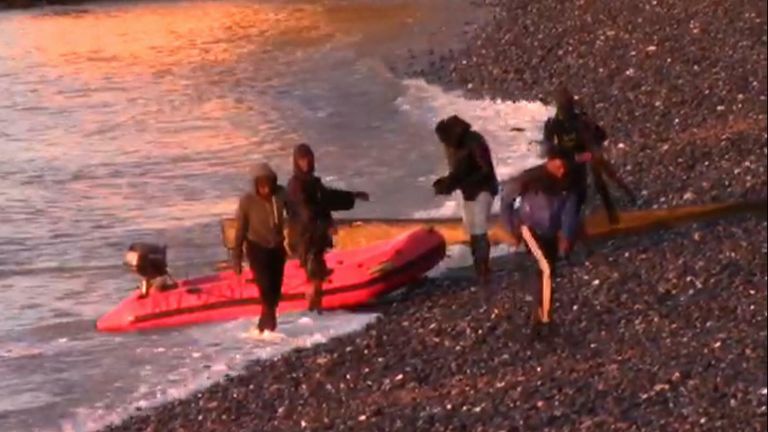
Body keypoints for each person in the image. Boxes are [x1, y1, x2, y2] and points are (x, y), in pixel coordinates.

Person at [542, 84, 637, 256]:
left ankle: (565, 232)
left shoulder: (554, 124)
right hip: (581, 158)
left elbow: (548, 147)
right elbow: (601, 135)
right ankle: (613, 213)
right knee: (587, 189)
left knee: (570, 196)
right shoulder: (579, 121)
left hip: (566, 162)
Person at [500, 152, 580, 337]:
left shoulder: (569, 183)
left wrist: (566, 237)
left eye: (564, 168)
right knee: (546, 270)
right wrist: (512, 227)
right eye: (558, 167)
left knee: (546, 272)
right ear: (549, 162)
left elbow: (569, 213)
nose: (561, 171)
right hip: (529, 228)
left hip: (551, 232)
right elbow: (506, 200)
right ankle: (545, 320)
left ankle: (539, 315)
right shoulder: (531, 177)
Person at [286, 143, 370, 313]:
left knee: (317, 276)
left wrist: (352, 196)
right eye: (302, 159)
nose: (307, 162)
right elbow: (307, 213)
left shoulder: (312, 182)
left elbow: (329, 198)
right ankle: (312, 313)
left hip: (315, 237)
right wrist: (327, 225)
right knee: (315, 277)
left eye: (309, 158)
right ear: (296, 161)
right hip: (305, 239)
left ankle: (316, 310)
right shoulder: (296, 186)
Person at [432, 115, 499, 286]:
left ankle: (483, 270)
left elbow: (486, 171)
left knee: (479, 230)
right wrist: (447, 183)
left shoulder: (475, 141)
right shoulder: (451, 145)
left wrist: (457, 183)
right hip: (468, 191)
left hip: (484, 188)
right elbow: (457, 172)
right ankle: (480, 267)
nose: (445, 145)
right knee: (472, 230)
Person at [232, 162, 289, 333]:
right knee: (264, 287)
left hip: (277, 247)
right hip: (256, 247)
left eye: (268, 184)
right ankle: (268, 326)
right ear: (256, 185)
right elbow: (241, 228)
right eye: (261, 185)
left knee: (275, 290)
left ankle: (264, 326)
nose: (265, 189)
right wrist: (237, 257)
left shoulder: (281, 195)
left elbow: (296, 212)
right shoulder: (247, 201)